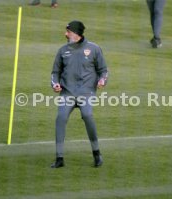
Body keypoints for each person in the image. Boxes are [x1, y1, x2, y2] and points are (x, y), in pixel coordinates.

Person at [50, 20, 109, 168]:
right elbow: (55, 72)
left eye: (68, 31)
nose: (65, 34)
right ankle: (59, 158)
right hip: (67, 92)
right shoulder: (63, 51)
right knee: (61, 118)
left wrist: (102, 80)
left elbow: (104, 70)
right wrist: (55, 84)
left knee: (88, 115)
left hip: (86, 92)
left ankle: (97, 154)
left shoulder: (94, 49)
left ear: (76, 34)